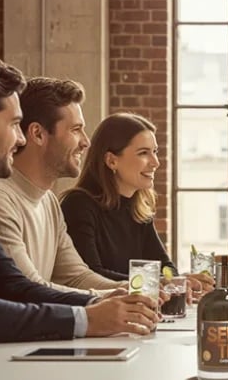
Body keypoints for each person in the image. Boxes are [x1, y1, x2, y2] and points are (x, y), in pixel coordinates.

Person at [0, 53, 157, 344]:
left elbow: (18, 286)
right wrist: (88, 317)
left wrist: (101, 303)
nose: (19, 140)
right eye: (14, 125)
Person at [0, 77, 124, 296]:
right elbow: (29, 288)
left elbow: (77, 276)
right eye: (76, 130)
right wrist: (107, 298)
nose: (86, 142)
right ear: (38, 134)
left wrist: (134, 290)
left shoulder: (48, 201)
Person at [60, 113, 213, 294]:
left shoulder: (139, 208)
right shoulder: (79, 205)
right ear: (111, 160)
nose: (156, 162)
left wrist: (175, 281)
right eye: (143, 153)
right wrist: (162, 282)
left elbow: (165, 268)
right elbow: (90, 276)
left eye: (155, 152)